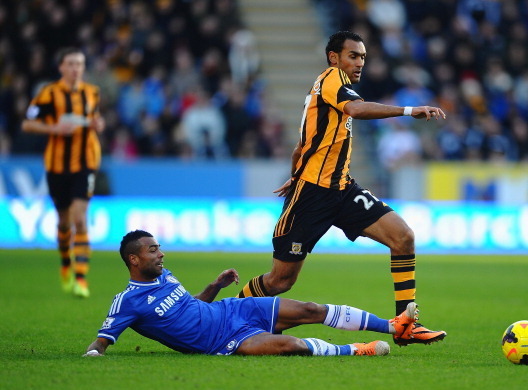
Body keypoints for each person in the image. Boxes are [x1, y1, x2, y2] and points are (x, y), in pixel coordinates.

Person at [236, 31, 447, 346]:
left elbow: (301, 145)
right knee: (280, 281)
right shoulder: (331, 79)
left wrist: (295, 171)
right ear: (334, 58)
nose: (359, 62)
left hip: (343, 189)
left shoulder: (333, 91)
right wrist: (408, 110)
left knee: (403, 237)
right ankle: (231, 316)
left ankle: (406, 324)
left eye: (363, 56)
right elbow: (357, 111)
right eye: (353, 55)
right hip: (312, 195)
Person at [84, 230, 423, 357]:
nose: (161, 254)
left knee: (309, 308)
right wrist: (94, 353)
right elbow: (104, 338)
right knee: (291, 347)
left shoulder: (166, 277)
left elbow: (191, 307)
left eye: (159, 249)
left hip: (236, 311)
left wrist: (215, 287)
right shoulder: (127, 302)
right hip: (225, 343)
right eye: (152, 250)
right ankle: (355, 350)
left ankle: (394, 326)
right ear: (133, 259)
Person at [22, 47, 105, 298]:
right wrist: (55, 128)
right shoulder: (49, 94)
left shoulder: (92, 93)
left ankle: (81, 277)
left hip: (86, 163)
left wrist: (98, 124)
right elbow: (27, 123)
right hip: (57, 167)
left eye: (79, 64)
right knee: (63, 222)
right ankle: (65, 264)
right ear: (61, 67)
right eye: (70, 63)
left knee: (80, 218)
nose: (75, 68)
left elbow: (96, 119)